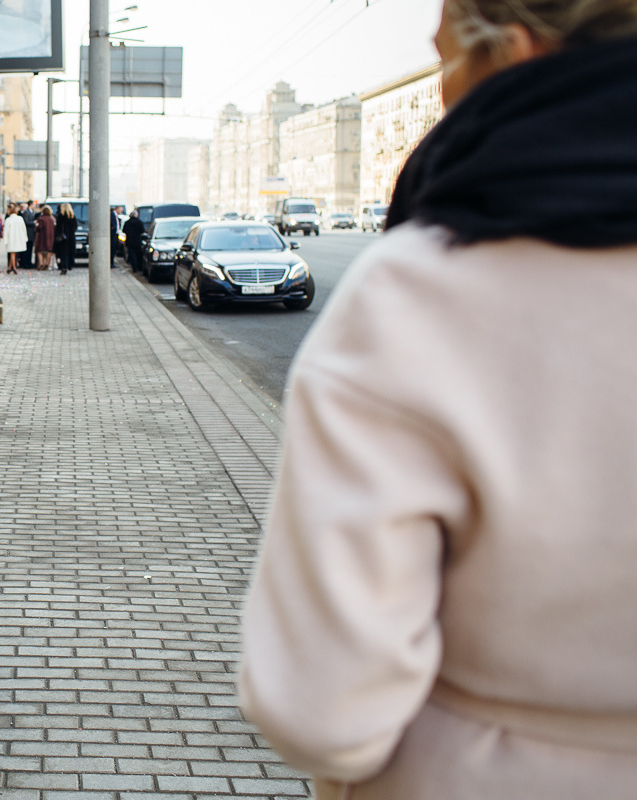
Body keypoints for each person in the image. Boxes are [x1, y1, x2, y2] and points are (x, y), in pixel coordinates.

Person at [238, 2, 637, 799]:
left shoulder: (422, 294)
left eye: (445, 58)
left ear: (512, 52)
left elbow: (323, 709)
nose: (445, 92)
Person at [2, 202, 27, 274]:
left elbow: (6, 231)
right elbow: (23, 229)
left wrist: (5, 240)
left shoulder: (8, 220)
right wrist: (24, 238)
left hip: (11, 239)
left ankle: (13, 267)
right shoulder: (20, 218)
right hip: (18, 238)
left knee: (12, 253)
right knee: (14, 253)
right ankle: (11, 267)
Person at [54, 203, 78, 275]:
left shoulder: (60, 216)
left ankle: (64, 267)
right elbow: (75, 227)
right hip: (71, 237)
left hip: (63, 238)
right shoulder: (72, 216)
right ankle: (69, 265)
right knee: (70, 252)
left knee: (63, 253)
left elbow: (58, 227)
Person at [33, 205, 55, 270]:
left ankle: (41, 263)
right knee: (48, 251)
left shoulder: (41, 219)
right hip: (50, 237)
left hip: (42, 236)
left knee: (39, 251)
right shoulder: (51, 219)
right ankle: (46, 263)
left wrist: (36, 227)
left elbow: (39, 227)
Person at [19, 200, 37, 270]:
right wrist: (33, 223)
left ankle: (29, 262)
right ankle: (26, 263)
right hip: (28, 233)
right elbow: (26, 222)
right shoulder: (26, 212)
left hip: (31, 233)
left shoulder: (32, 212)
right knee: (27, 249)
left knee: (30, 249)